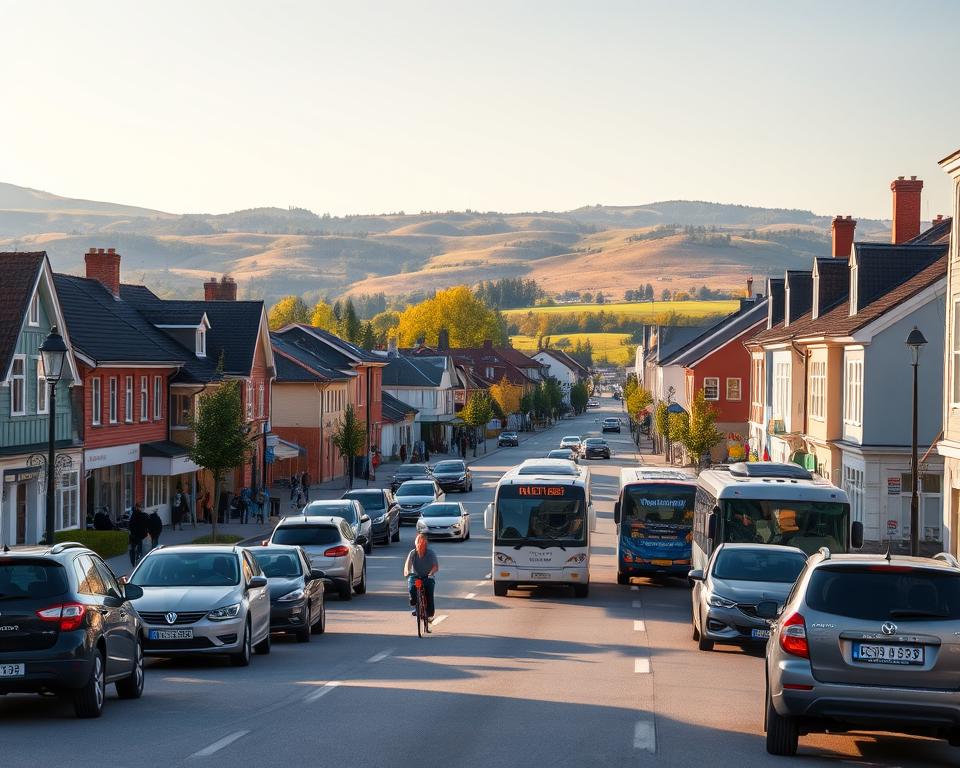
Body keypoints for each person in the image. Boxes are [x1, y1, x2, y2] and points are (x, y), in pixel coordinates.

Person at [403, 532, 439, 621]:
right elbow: (407, 565)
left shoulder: (431, 553)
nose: (420, 546)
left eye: (422, 543)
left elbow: (435, 566)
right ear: (416, 544)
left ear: (425, 544)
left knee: (429, 591)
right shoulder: (413, 553)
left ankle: (429, 613)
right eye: (418, 543)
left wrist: (431, 573)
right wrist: (407, 572)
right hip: (415, 576)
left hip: (427, 577)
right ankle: (416, 606)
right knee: (412, 587)